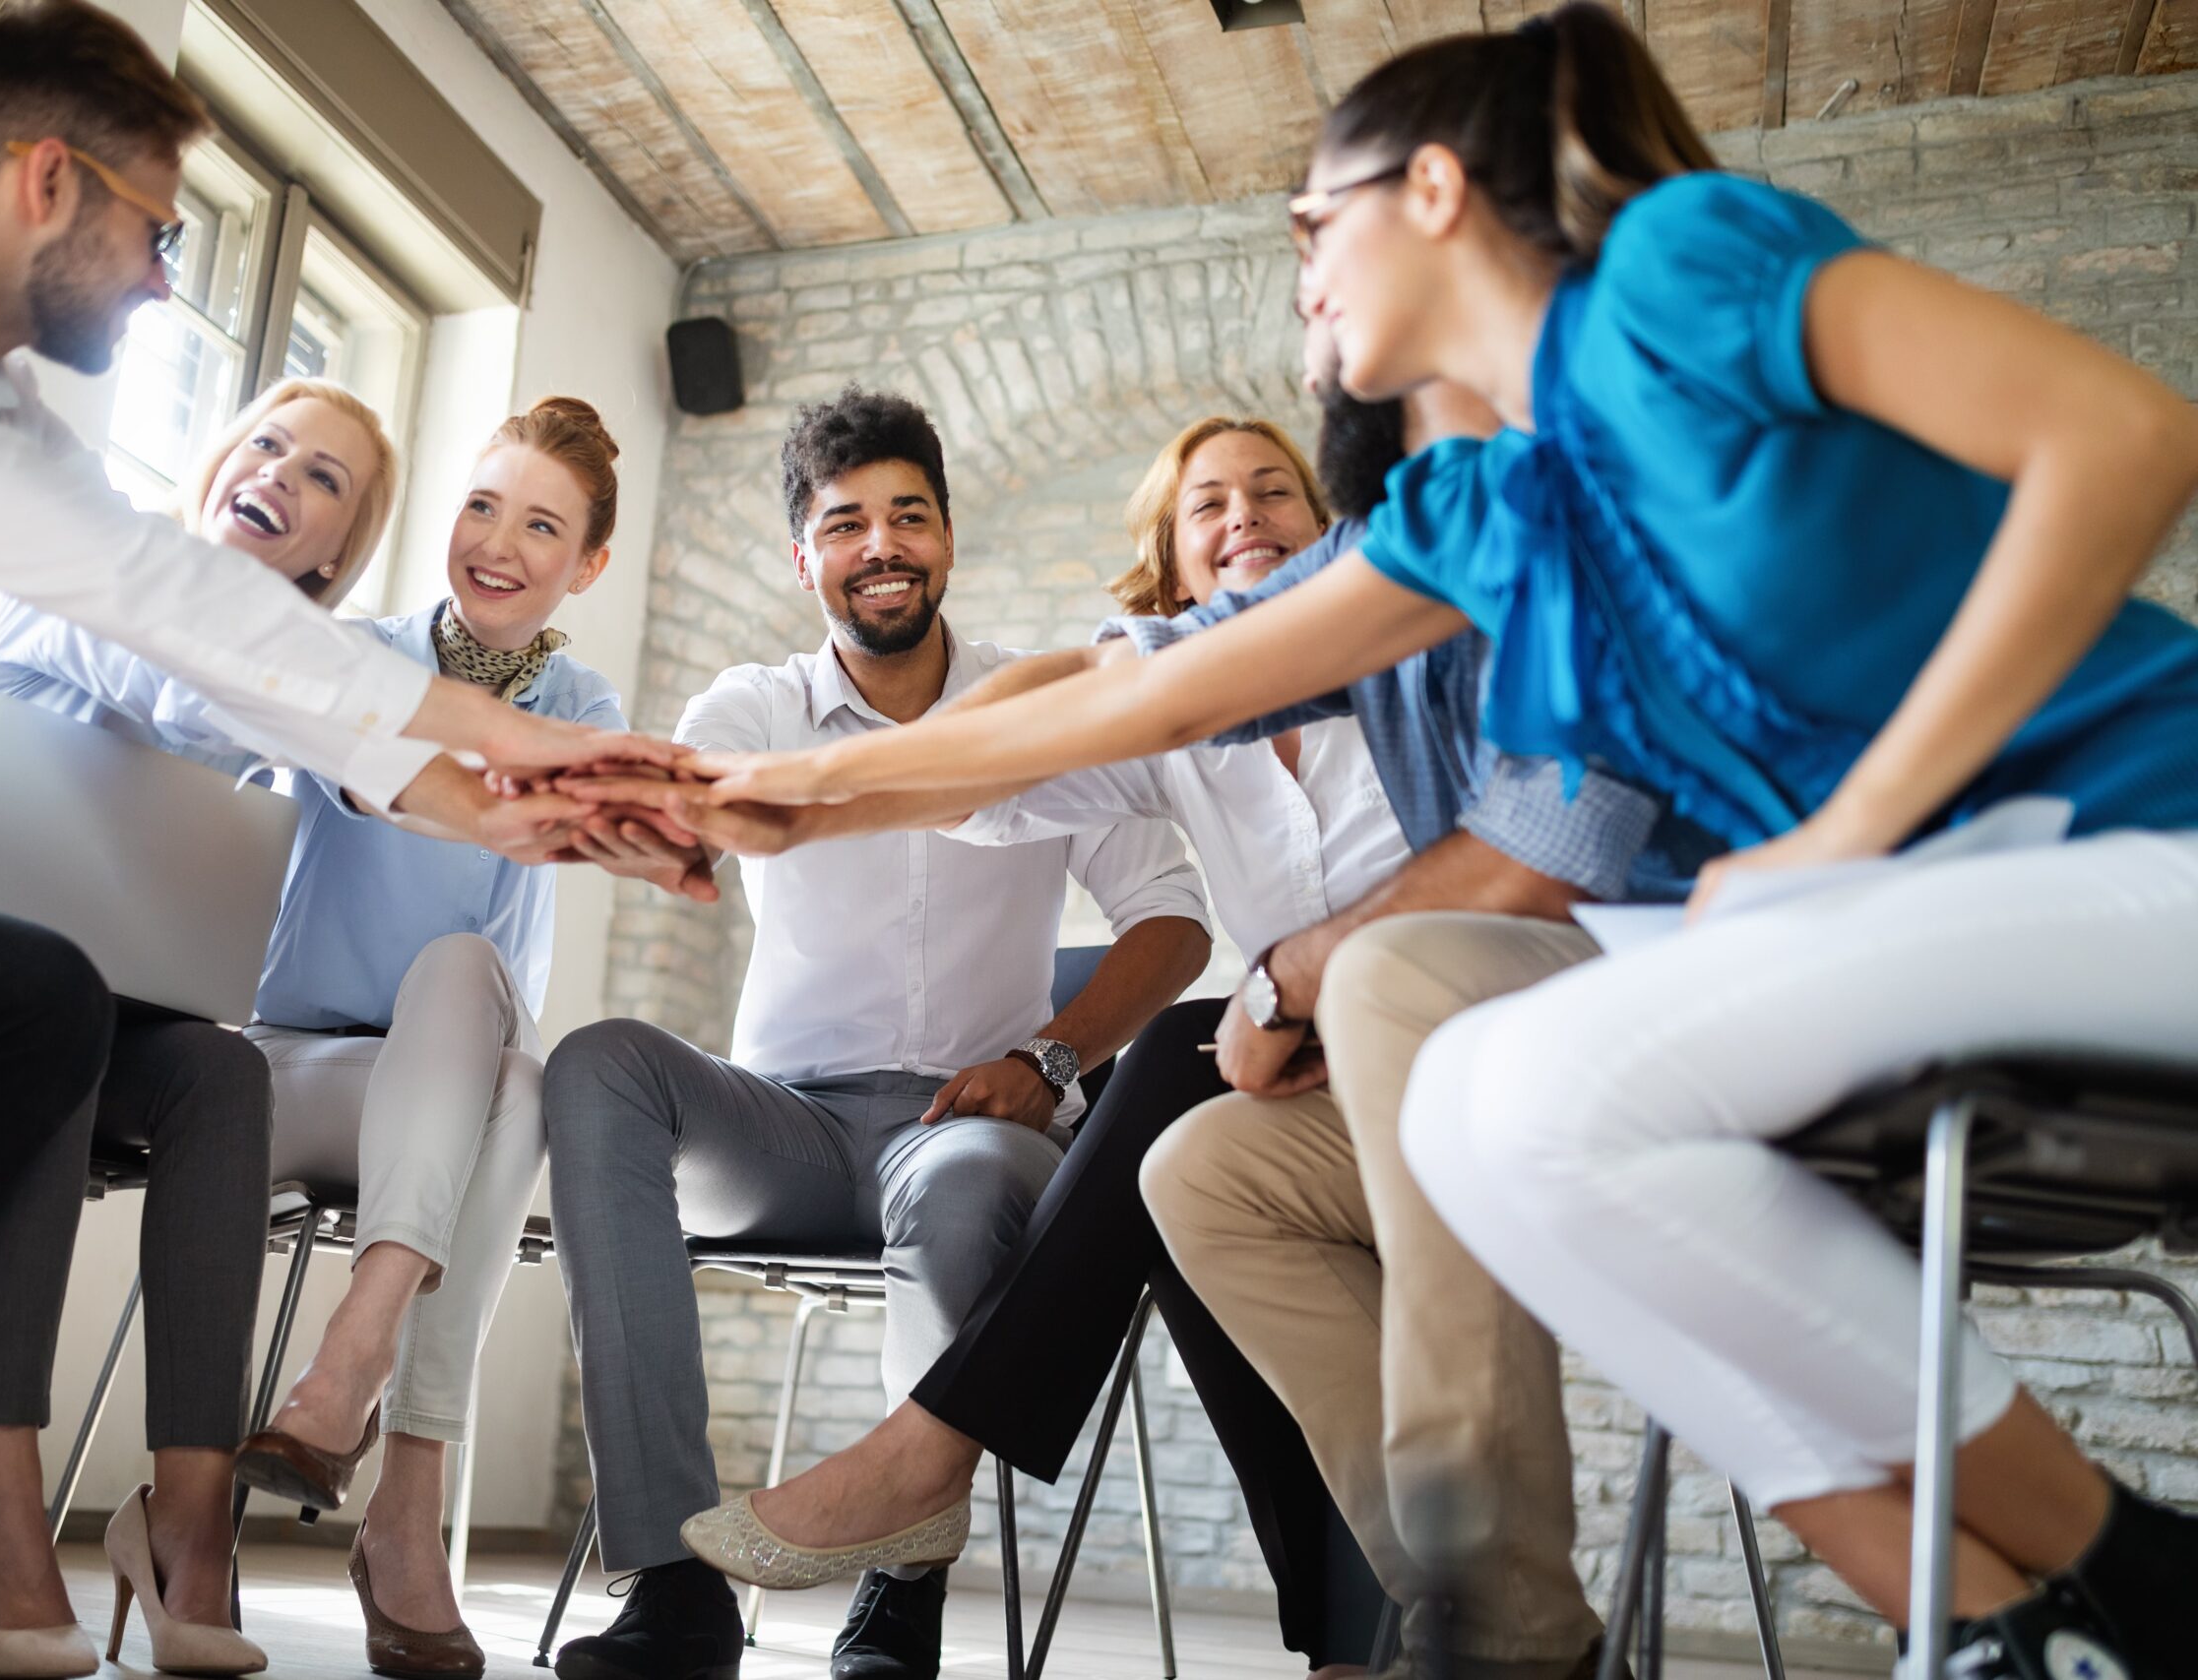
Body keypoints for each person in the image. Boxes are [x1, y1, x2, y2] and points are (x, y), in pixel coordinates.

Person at [667, 6, 2198, 1674]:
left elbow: (2125, 438)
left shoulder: (1680, 268)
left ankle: (2116, 1572)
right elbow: (1131, 698)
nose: (1304, 277)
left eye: (1315, 226)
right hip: (1907, 929)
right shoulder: (1486, 514)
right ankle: (2010, 1616)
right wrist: (792, 789)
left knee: (1507, 1071)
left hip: (2131, 847)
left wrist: (1856, 824)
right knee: (1490, 1111)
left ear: (1439, 190)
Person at [0, 4, 650, 1673]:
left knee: (50, 1005)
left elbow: (213, 631)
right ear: (48, 182)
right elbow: (147, 602)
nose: (158, 281)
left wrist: (522, 787)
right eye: (155, 232)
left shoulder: (4, 423)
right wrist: (521, 750)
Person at [651, 342, 1685, 1680]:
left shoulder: (1423, 661)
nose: (1244, 515)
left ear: (1333, 540)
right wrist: (817, 781)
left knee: (1187, 1063)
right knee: (1183, 1164)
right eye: (1208, 506)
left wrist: (1277, 987)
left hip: (1492, 1060)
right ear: (1173, 580)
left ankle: (933, 1447)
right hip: (1328, 1113)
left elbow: (1541, 848)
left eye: (1273, 493)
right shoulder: (1184, 722)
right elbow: (992, 782)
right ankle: (1413, 1639)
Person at [540, 387, 1214, 1680]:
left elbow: (1173, 921)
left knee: (962, 1186)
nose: (881, 544)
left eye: (908, 515)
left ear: (948, 540)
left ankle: (902, 1593)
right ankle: (675, 1585)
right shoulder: (755, 700)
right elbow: (699, 792)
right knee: (596, 1065)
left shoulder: (1037, 713)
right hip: (781, 1128)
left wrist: (1051, 1059)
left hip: (967, 1123)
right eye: (844, 523)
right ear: (807, 560)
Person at [0, 376, 400, 1677]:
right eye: (269, 444)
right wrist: (385, 730)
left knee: (217, 1070)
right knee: (41, 1020)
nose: (284, 474)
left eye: (326, 477)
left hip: (69, 1022)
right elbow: (173, 691)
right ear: (218, 463)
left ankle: (190, 1521)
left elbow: (193, 921)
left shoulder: (269, 709)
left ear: (336, 549)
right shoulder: (91, 570)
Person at [228, 398, 648, 1680]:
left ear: (587, 564)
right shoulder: (355, 656)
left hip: (452, 1092)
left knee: (505, 1055)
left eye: (540, 524)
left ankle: (362, 1403)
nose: (498, 543)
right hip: (291, 1067)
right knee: (508, 1087)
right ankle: (399, 1494)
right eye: (481, 505)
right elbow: (337, 785)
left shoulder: (584, 706)